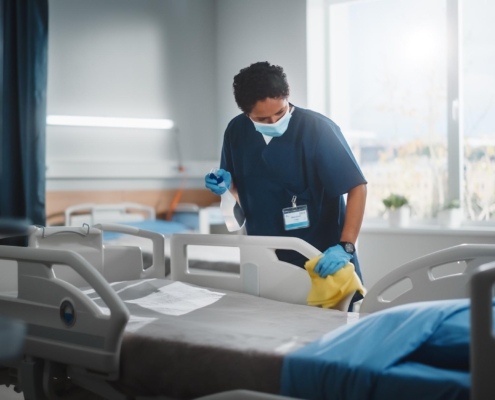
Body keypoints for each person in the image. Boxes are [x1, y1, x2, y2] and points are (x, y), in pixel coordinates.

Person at [205, 61, 367, 305]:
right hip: (265, 255)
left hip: (321, 256)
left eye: (280, 113)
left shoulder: (318, 129)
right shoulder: (236, 131)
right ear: (246, 113)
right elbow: (240, 190)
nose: (274, 122)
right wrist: (225, 186)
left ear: (287, 97)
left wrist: (346, 247)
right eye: (262, 118)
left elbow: (357, 186)